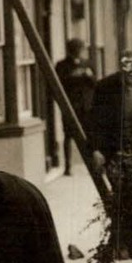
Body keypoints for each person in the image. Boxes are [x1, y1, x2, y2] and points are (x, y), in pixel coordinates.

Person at [54, 38, 97, 176]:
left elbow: (95, 83)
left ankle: (92, 164)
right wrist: (74, 76)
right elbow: (58, 85)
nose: (83, 52)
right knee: (68, 135)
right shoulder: (61, 65)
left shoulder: (88, 64)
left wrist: (88, 76)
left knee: (90, 135)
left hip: (86, 106)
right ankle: (67, 166)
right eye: (80, 49)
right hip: (70, 106)